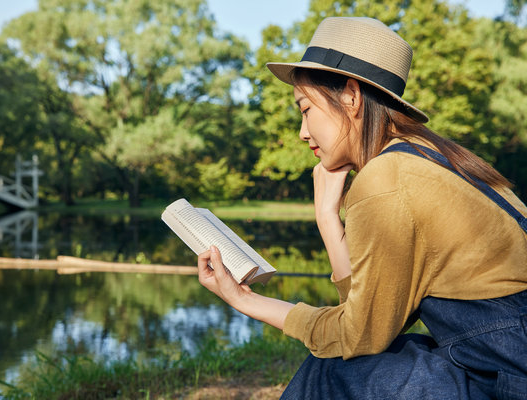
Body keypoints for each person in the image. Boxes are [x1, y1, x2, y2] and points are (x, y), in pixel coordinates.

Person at [197, 16, 527, 399]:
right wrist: (327, 217)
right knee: (347, 361)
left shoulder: (387, 179)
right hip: (502, 360)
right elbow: (366, 319)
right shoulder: (428, 156)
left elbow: (357, 336)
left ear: (351, 97)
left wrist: (244, 299)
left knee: (334, 371)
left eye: (305, 110)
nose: (302, 132)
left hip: (509, 373)